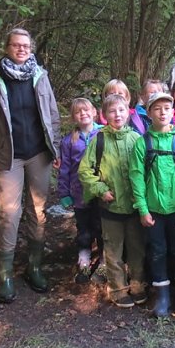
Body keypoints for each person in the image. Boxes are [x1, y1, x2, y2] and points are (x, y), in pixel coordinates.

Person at [0, 28, 60, 304]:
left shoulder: (40, 77)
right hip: (6, 157)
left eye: (25, 45)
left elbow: (53, 115)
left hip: (39, 155)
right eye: (16, 45)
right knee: (9, 214)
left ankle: (34, 267)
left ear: (31, 48)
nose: (21, 49)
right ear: (7, 47)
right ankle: (6, 274)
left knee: (38, 212)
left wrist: (55, 147)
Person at [131, 91, 175, 318]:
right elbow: (137, 176)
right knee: (157, 252)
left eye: (167, 108)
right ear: (149, 113)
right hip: (153, 211)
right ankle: (162, 295)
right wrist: (142, 208)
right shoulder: (143, 143)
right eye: (157, 108)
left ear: (172, 112)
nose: (162, 112)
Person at [79, 94, 146, 308]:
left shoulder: (136, 139)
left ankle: (137, 285)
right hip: (110, 207)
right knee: (113, 249)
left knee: (137, 248)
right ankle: (117, 288)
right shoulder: (98, 140)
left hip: (135, 207)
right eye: (112, 111)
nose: (117, 115)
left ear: (129, 112)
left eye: (121, 110)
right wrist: (100, 189)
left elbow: (146, 169)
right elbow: (85, 170)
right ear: (104, 115)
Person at [56, 98, 103, 283]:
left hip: (100, 191)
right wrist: (64, 193)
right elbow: (65, 168)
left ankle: (104, 262)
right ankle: (84, 261)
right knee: (84, 228)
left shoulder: (102, 134)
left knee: (100, 226)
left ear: (94, 112)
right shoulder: (69, 141)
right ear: (74, 117)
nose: (83, 114)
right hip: (79, 192)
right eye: (78, 112)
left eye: (86, 110)